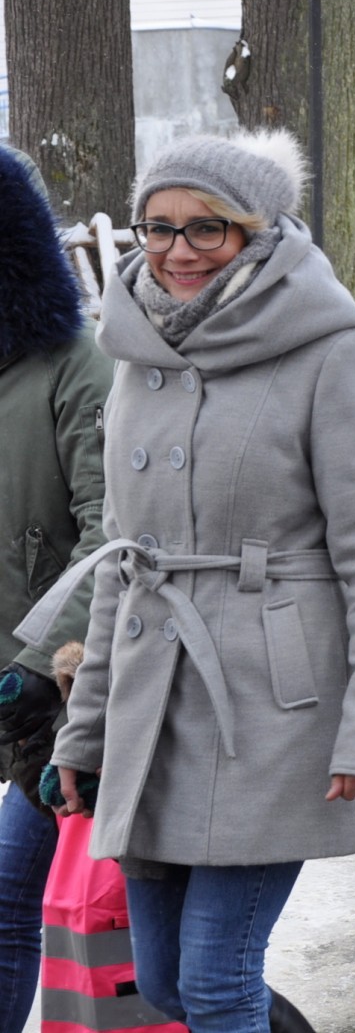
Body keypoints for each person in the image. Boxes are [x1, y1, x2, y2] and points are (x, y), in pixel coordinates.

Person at [27, 129, 355, 1033]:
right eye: (157, 227)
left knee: (215, 981)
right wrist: (82, 735)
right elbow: (124, 562)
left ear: (261, 232)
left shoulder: (330, 351)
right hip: (150, 712)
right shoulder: (134, 349)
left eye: (208, 228)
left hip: (270, 710)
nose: (177, 250)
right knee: (164, 984)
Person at [0, 144, 111, 1033]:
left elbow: (116, 528)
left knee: (21, 899)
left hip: (56, 691)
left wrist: (43, 665)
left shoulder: (76, 364)